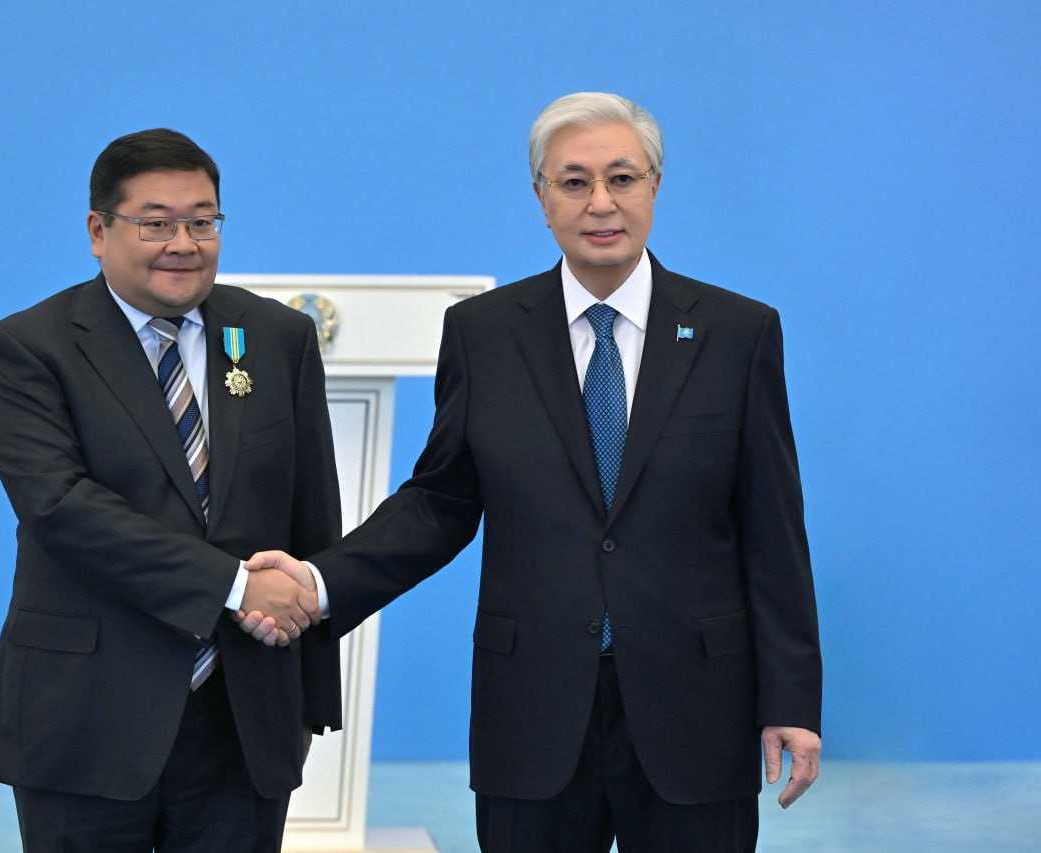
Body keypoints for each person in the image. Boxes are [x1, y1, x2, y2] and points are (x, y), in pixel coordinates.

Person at [241, 92, 823, 852]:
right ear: (541, 198)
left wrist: (792, 699)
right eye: (574, 182)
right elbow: (439, 501)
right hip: (532, 711)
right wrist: (320, 583)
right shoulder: (483, 333)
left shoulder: (737, 333)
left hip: (697, 710)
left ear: (655, 186)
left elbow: (773, 528)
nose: (600, 202)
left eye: (622, 178)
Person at [0, 127, 340, 853]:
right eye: (156, 224)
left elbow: (313, 515)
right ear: (98, 231)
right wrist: (234, 586)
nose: (184, 243)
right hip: (88, 714)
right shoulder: (30, 347)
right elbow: (60, 507)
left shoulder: (277, 336)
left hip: (244, 715)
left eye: (203, 222)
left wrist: (313, 695)